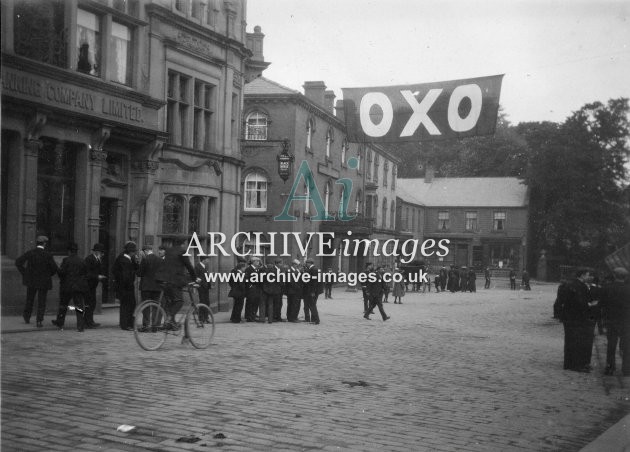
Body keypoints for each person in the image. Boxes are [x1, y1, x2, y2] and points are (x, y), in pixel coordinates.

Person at [556, 268, 598, 372]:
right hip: (577, 317)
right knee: (577, 341)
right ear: (582, 275)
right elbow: (579, 302)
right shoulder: (580, 286)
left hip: (569, 317)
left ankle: (569, 363)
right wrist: (590, 304)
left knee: (570, 340)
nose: (589, 277)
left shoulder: (570, 284)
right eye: (587, 275)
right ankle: (576, 365)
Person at [154, 237, 200, 329]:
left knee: (170, 302)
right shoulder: (182, 251)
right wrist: (195, 278)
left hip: (162, 279)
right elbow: (189, 266)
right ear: (182, 243)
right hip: (174, 280)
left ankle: (171, 324)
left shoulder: (168, 251)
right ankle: (169, 318)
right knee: (179, 301)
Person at [15, 235, 58, 327]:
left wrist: (25, 273)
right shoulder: (48, 255)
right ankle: (39, 320)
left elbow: (18, 262)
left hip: (31, 281)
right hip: (44, 282)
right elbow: (54, 268)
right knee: (42, 301)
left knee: (29, 299)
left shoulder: (30, 253)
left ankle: (27, 317)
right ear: (44, 244)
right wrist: (48, 275)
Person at [600, 268, 630, 375]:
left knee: (611, 345)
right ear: (626, 277)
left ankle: (610, 368)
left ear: (614, 275)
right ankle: (626, 369)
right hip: (627, 321)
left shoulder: (607, 288)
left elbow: (602, 304)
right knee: (627, 346)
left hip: (611, 320)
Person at [53, 243, 88, 332]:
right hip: (78, 287)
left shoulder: (66, 260)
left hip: (67, 287)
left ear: (69, 251)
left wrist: (58, 269)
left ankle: (60, 322)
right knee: (79, 307)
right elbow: (85, 274)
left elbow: (62, 273)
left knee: (63, 305)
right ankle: (80, 326)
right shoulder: (82, 261)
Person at [112, 241, 140, 330]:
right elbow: (126, 275)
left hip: (125, 286)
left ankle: (126, 323)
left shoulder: (127, 258)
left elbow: (135, 268)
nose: (134, 253)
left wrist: (136, 262)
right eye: (134, 252)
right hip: (125, 287)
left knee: (128, 305)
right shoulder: (124, 260)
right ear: (130, 252)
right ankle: (126, 324)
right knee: (127, 305)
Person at [84, 243, 106, 328]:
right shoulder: (89, 259)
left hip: (93, 285)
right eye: (101, 252)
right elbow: (87, 273)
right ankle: (87, 322)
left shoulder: (98, 259)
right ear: (97, 252)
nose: (102, 254)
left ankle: (90, 321)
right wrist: (97, 276)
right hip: (88, 285)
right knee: (89, 304)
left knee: (92, 303)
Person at [303, 258, 322, 324]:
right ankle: (313, 319)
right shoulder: (314, 269)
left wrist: (312, 292)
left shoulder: (313, 269)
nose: (306, 264)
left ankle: (316, 320)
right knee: (312, 305)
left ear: (309, 263)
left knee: (312, 305)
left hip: (313, 291)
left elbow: (314, 282)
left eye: (307, 263)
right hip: (313, 291)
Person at [228, 258, 248, 323]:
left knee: (236, 305)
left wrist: (233, 287)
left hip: (236, 291)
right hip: (239, 292)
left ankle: (235, 318)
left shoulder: (235, 272)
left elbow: (230, 281)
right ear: (242, 268)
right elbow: (241, 284)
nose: (245, 269)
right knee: (239, 306)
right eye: (244, 267)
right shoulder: (239, 274)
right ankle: (237, 319)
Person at [244, 257, 262, 322]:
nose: (258, 263)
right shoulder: (248, 269)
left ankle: (253, 315)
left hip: (257, 289)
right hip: (251, 289)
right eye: (257, 261)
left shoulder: (257, 269)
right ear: (253, 262)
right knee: (250, 303)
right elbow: (246, 279)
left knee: (255, 303)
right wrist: (250, 286)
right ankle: (249, 317)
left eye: (258, 261)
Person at [195, 255, 212, 322]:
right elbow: (196, 277)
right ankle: (201, 318)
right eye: (207, 259)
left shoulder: (205, 266)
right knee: (202, 302)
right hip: (201, 287)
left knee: (207, 302)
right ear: (203, 260)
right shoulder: (197, 267)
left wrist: (209, 285)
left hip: (206, 287)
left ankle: (206, 317)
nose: (208, 261)